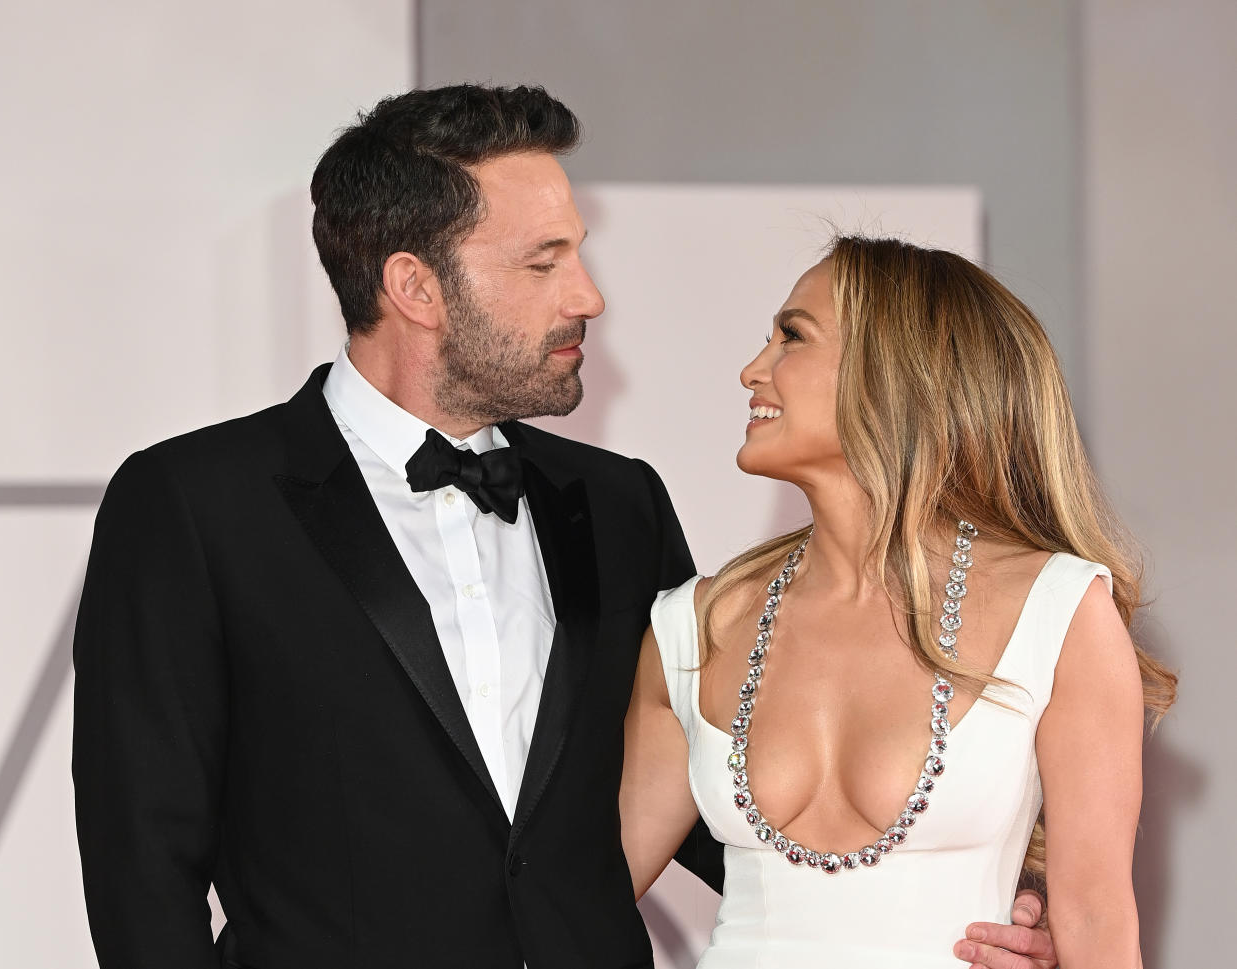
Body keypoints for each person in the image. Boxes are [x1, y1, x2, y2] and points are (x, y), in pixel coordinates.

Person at [72, 83, 1062, 969]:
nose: (588, 297)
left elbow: (726, 799)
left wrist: (977, 909)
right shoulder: (197, 505)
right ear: (415, 287)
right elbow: (141, 874)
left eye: (578, 256)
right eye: (544, 263)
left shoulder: (619, 503)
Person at [620, 236, 1177, 968]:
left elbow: (1099, 922)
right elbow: (576, 889)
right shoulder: (695, 627)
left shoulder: (1059, 612)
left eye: (792, 336)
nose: (753, 370)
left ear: (891, 372)